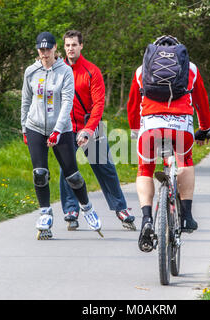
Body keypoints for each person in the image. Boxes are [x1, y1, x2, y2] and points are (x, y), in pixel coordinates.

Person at [127, 35, 210, 252]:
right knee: (185, 161)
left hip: (150, 126)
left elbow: (132, 104)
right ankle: (186, 216)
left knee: (145, 169)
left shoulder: (142, 70)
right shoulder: (190, 68)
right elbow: (201, 101)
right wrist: (204, 129)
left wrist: (135, 129)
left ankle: (147, 219)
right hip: (181, 126)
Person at [21, 31, 102, 239]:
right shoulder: (31, 71)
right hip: (35, 126)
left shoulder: (64, 71)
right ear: (37, 50)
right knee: (40, 173)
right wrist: (24, 128)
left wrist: (58, 130)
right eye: (41, 49)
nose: (44, 53)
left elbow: (67, 102)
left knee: (72, 176)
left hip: (62, 128)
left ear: (55, 48)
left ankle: (87, 208)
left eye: (48, 49)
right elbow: (26, 100)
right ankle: (45, 213)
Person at [60, 30, 135, 231]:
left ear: (81, 46)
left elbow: (98, 105)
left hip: (89, 126)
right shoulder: (58, 70)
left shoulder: (92, 71)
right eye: (67, 45)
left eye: (74, 45)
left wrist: (88, 130)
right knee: (67, 169)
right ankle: (71, 211)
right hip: (66, 128)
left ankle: (121, 208)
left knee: (106, 168)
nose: (70, 49)